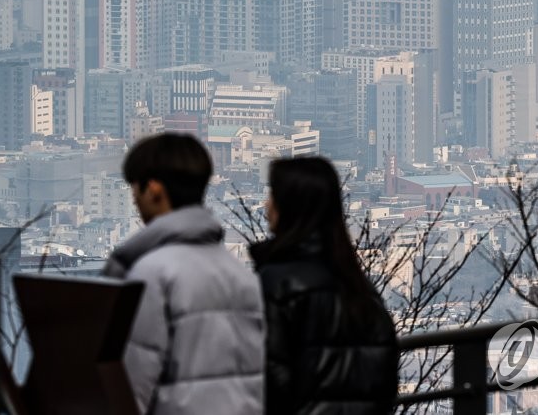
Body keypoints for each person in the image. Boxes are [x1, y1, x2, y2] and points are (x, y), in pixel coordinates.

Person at [103, 133, 264, 414]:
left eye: (135, 189)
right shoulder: (242, 275)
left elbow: (131, 385)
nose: (134, 200)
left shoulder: (152, 274)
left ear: (153, 189)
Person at [250, 157, 398, 414]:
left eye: (273, 194)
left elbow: (268, 376)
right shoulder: (358, 284)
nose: (266, 205)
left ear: (291, 206)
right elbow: (385, 375)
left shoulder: (277, 281)